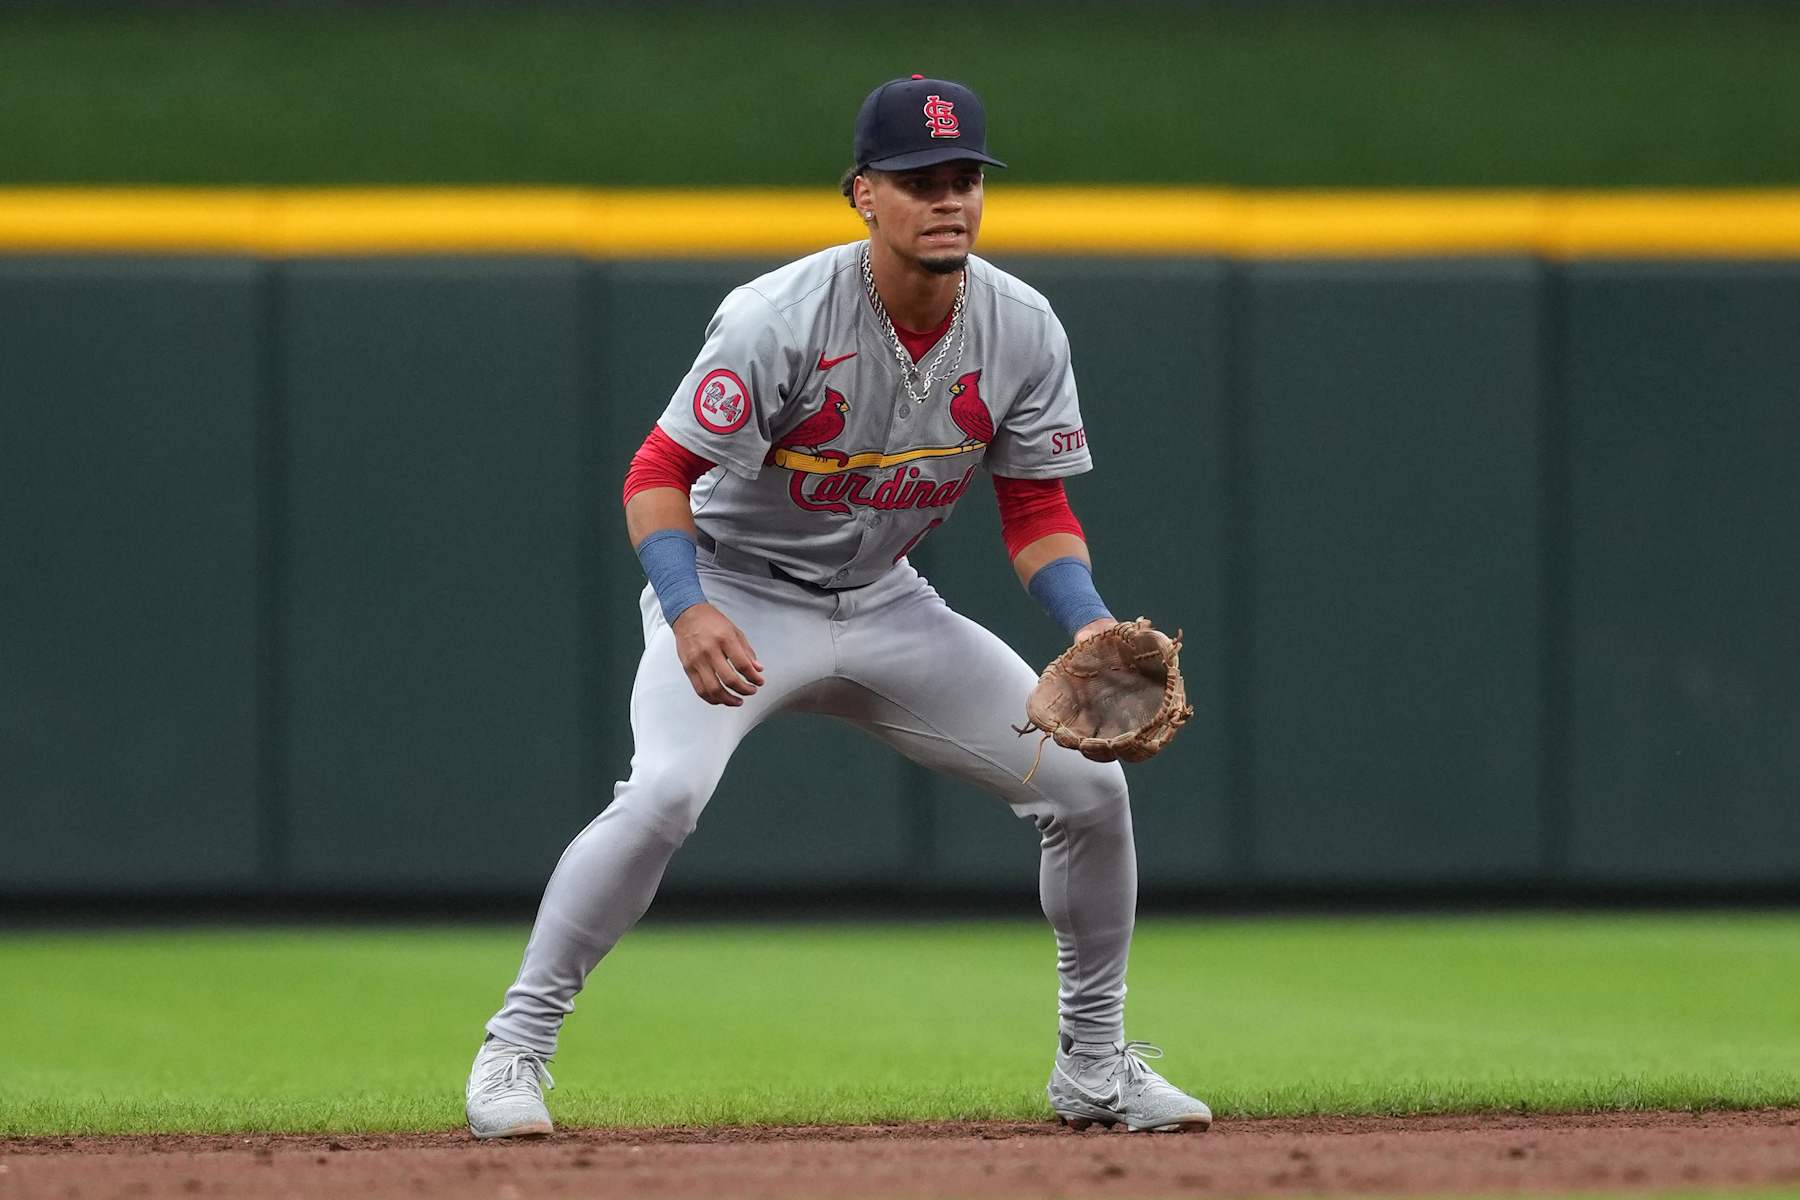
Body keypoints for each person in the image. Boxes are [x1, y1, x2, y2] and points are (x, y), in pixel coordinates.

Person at [464, 74, 1212, 1138]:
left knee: (1090, 797)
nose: (949, 199)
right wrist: (684, 606)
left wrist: (1085, 620)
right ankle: (513, 1053)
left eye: (965, 179)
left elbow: (1035, 503)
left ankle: (1095, 1070)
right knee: (666, 794)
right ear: (864, 194)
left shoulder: (1023, 328)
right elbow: (655, 472)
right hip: (734, 590)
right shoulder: (777, 318)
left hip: (888, 601)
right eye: (920, 181)